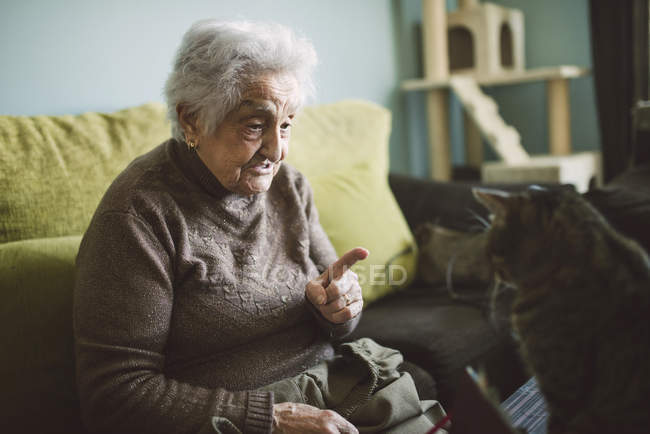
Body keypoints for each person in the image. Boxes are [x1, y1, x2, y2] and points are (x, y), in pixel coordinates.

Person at [74, 20, 444, 434]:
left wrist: (339, 309)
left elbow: (336, 312)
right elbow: (115, 395)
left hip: (331, 387)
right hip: (234, 420)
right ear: (192, 120)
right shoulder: (139, 216)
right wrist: (269, 418)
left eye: (286, 125)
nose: (277, 150)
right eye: (254, 125)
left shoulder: (288, 186)